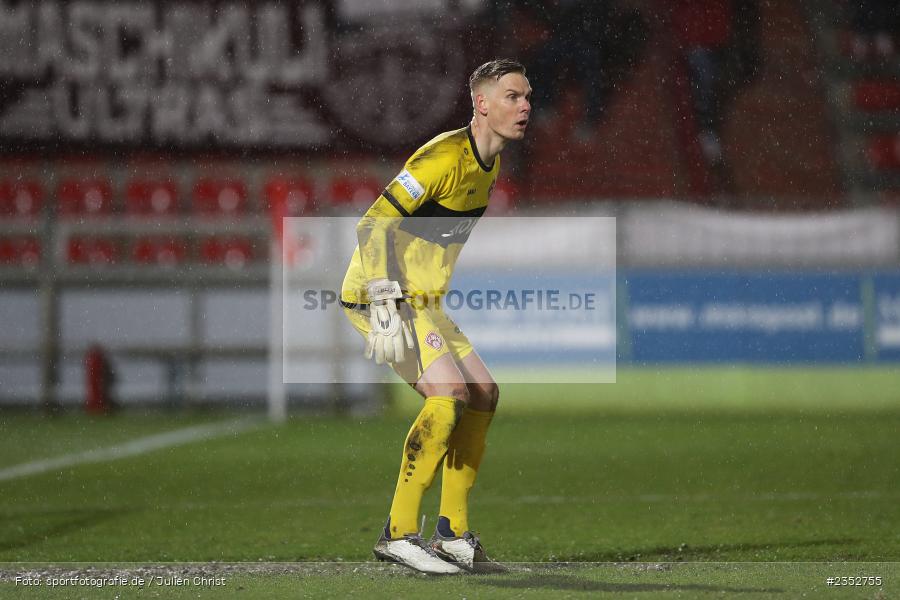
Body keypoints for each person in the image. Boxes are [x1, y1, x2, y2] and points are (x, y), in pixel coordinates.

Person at [339, 59, 531, 575]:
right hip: (382, 292)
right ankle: (399, 534)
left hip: (422, 301)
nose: (525, 107)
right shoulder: (443, 156)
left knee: (483, 393)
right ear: (482, 104)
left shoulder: (489, 166)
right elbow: (372, 223)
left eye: (527, 97)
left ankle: (451, 534)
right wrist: (383, 299)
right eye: (513, 97)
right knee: (449, 394)